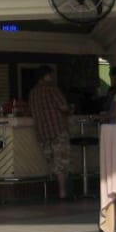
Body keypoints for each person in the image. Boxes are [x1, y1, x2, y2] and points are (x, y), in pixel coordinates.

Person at [28, 65, 73, 200]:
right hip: (57, 129)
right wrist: (70, 109)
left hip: (42, 132)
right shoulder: (52, 89)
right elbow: (63, 107)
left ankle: (56, 191)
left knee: (52, 162)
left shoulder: (33, 93)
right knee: (61, 162)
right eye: (50, 75)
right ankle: (63, 192)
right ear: (46, 76)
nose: (52, 77)